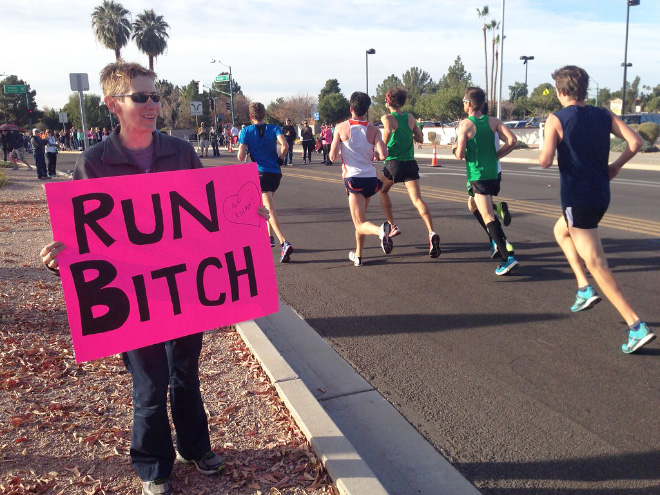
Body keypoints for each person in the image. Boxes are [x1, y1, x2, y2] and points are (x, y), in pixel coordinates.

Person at [40, 62, 238, 495]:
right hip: (132, 295)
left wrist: (243, 219)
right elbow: (82, 236)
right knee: (149, 383)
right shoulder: (94, 163)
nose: (152, 104)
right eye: (140, 97)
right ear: (113, 104)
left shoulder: (181, 153)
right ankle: (153, 465)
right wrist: (62, 258)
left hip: (184, 287)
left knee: (186, 373)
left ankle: (195, 447)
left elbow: (210, 213)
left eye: (155, 96)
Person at [539, 65, 655, 354]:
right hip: (601, 195)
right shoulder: (604, 115)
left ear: (561, 91)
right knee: (560, 231)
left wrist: (551, 138)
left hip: (578, 199)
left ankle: (635, 325)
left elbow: (543, 161)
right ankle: (583, 288)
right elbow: (635, 141)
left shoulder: (557, 118)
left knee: (597, 264)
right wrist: (616, 165)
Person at [453, 86, 518, 275]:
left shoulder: (465, 125)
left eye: (464, 101)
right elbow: (513, 140)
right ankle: (495, 240)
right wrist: (497, 155)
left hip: (478, 175)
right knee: (473, 205)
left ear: (470, 103)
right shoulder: (493, 121)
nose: (463, 104)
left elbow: (460, 155)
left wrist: (455, 148)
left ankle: (508, 256)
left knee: (488, 216)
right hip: (493, 174)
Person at [329, 91, 392, 266]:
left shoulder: (341, 127)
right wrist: (374, 153)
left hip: (353, 179)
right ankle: (358, 255)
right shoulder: (373, 130)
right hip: (371, 179)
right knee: (360, 219)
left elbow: (332, 156)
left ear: (351, 108)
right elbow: (383, 154)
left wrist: (340, 146)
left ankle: (380, 231)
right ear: (366, 110)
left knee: (359, 223)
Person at [379, 87, 441, 258]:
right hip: (410, 164)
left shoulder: (387, 118)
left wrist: (380, 150)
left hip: (393, 163)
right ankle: (431, 232)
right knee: (417, 199)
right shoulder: (411, 117)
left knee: (382, 190)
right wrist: (408, 135)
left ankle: (392, 225)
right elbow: (420, 139)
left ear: (389, 101)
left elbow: (387, 135)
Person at [237, 102, 294, 262]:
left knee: (269, 209)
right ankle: (269, 237)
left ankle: (284, 242)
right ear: (264, 114)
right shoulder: (274, 128)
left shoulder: (246, 131)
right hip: (275, 173)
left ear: (251, 116)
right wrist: (281, 159)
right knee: (263, 207)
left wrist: (244, 149)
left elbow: (240, 157)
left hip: (260, 174)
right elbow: (285, 145)